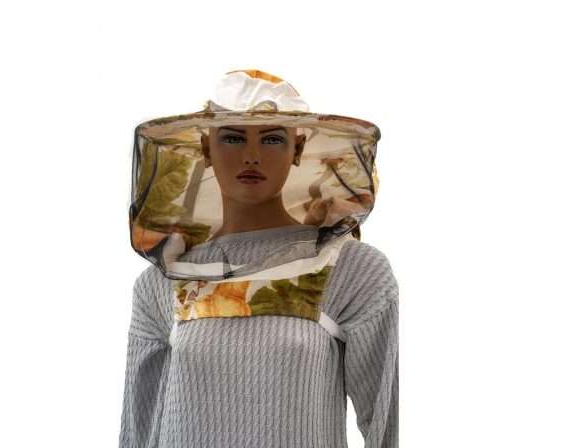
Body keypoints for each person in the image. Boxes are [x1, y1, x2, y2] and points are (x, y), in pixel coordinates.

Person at [121, 69, 399, 447]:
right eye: (233, 138)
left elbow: (382, 426)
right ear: (206, 148)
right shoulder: (165, 281)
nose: (251, 156)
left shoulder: (351, 270)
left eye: (271, 139)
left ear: (297, 149)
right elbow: (138, 431)